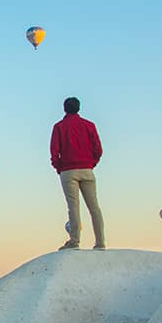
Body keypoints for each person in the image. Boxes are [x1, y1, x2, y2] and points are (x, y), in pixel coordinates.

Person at [50, 97, 105, 250]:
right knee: (94, 207)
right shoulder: (89, 125)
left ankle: (75, 241)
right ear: (79, 108)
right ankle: (100, 242)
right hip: (87, 170)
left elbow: (54, 151)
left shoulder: (59, 127)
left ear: (64, 108)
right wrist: (91, 164)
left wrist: (59, 168)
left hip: (68, 171)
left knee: (73, 207)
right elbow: (98, 149)